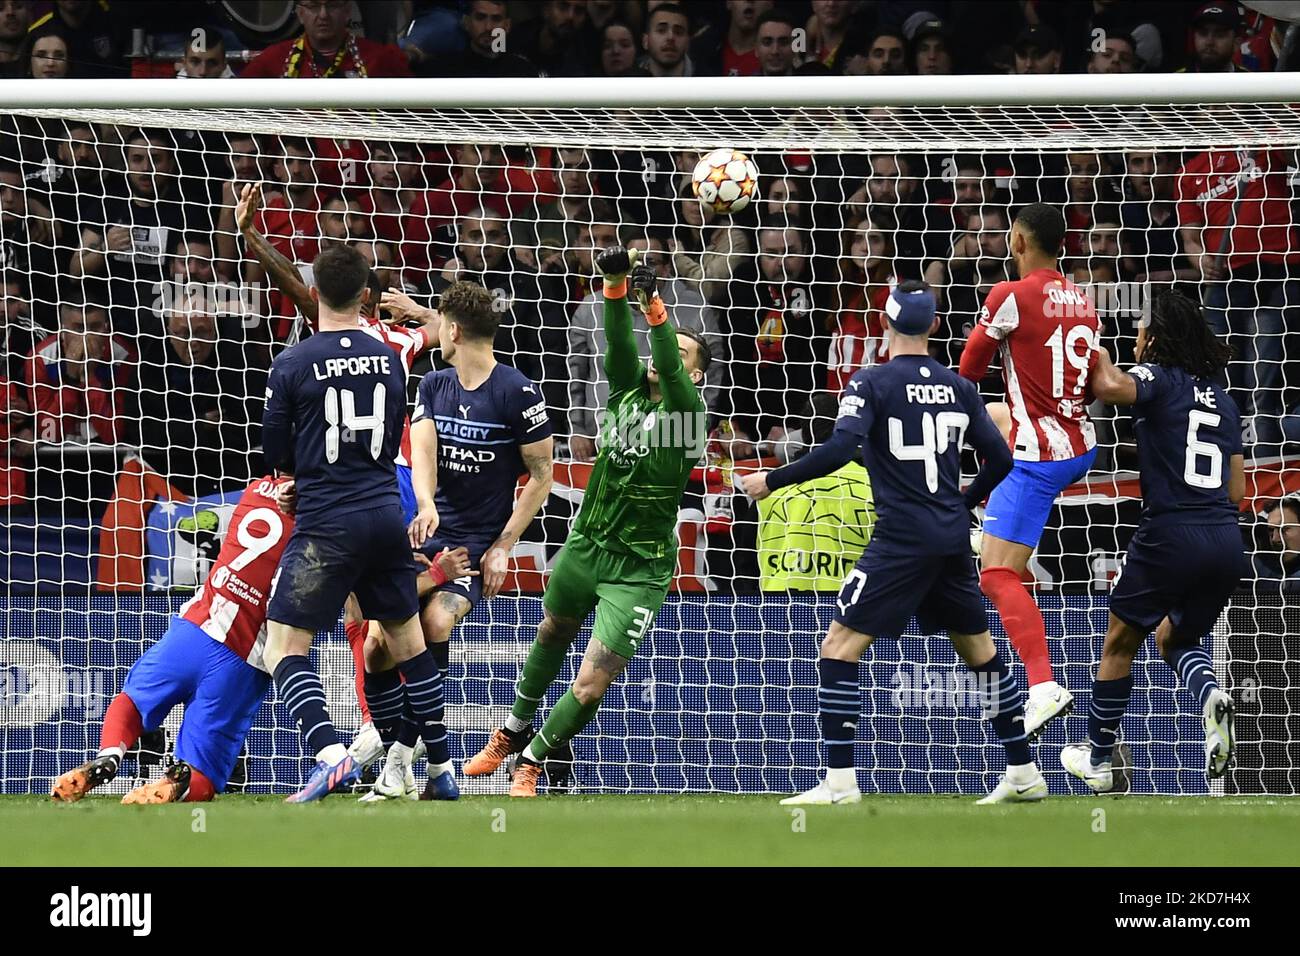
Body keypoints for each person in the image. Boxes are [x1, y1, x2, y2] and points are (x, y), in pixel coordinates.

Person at [740, 282, 1039, 805]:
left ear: (884, 323)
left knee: (838, 647)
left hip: (901, 538)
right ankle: (1023, 772)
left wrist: (774, 480)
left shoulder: (871, 381)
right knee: (981, 653)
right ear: (936, 327)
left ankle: (839, 783)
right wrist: (962, 500)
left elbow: (841, 448)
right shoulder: (959, 386)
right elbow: (1004, 459)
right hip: (948, 535)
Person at [463, 247, 710, 797]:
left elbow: (668, 363)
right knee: (552, 631)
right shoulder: (623, 391)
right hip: (588, 543)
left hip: (640, 566)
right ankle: (510, 731)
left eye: (687, 354)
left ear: (696, 374)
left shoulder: (689, 415)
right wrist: (616, 285)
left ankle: (532, 760)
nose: (667, 356)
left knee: (594, 680)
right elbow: (620, 344)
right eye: (673, 345)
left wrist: (658, 312)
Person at [260, 243, 440, 802]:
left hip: (326, 523)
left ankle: (332, 754)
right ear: (367, 296)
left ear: (312, 294)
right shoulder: (389, 355)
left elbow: (277, 453)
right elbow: (391, 440)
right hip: (386, 510)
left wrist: (305, 477)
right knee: (410, 646)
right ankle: (437, 773)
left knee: (283, 647)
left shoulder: (291, 362)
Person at [364, 281, 555, 800]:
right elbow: (423, 452)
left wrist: (504, 545)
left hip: (472, 547)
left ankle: (404, 762)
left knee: (436, 619)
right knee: (377, 648)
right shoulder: (433, 384)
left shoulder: (518, 392)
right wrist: (424, 503)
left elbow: (541, 474)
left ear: (453, 329)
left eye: (439, 326)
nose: (435, 335)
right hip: (427, 533)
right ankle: (396, 752)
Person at [1062, 292, 1246, 790]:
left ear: (1156, 338)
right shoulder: (1224, 402)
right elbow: (1237, 491)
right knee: (1176, 637)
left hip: (1170, 533)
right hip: (1226, 540)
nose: (1138, 337)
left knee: (1119, 644)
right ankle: (1211, 696)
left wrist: (1085, 335)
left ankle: (1099, 761)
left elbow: (1110, 384)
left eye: (1141, 329)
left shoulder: (1158, 376)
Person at [958, 203, 1100, 737]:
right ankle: (982, 523)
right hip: (1079, 442)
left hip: (1039, 456)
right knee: (995, 418)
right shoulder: (1084, 302)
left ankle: (1042, 685)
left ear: (1017, 240)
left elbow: (968, 372)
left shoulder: (1009, 296)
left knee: (996, 576)